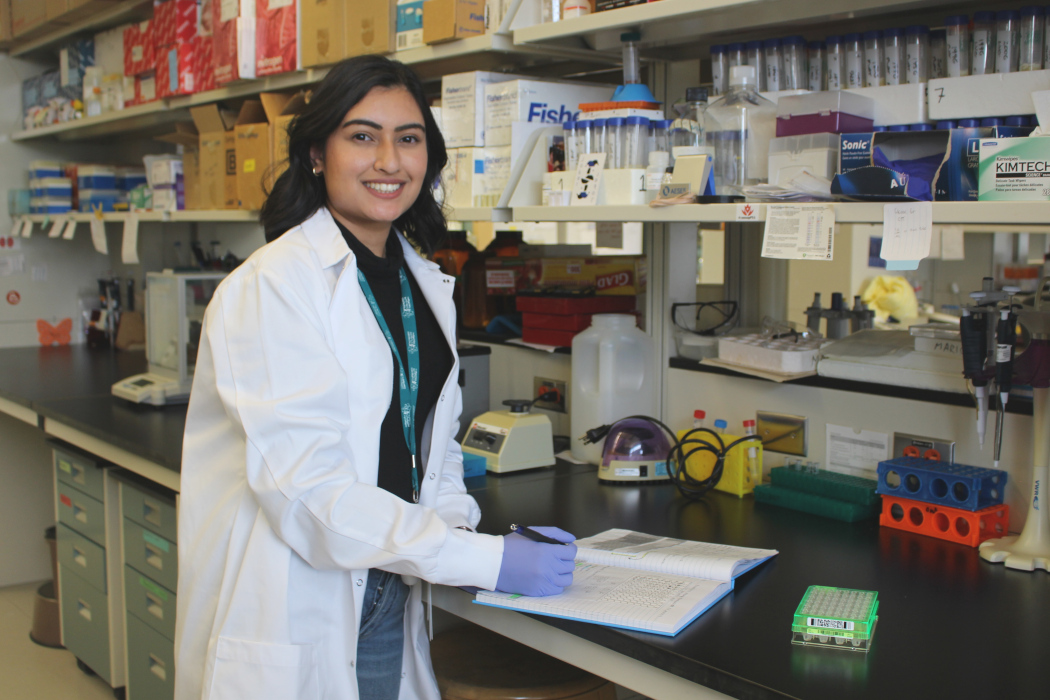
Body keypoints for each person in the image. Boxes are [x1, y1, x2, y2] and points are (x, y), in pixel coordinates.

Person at [173, 55, 577, 700]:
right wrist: (486, 560)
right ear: (317, 153)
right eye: (363, 136)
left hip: (389, 580)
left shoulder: (423, 282)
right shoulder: (272, 287)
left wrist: (455, 534)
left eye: (408, 139)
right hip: (299, 595)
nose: (389, 161)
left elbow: (434, 447)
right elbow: (310, 495)